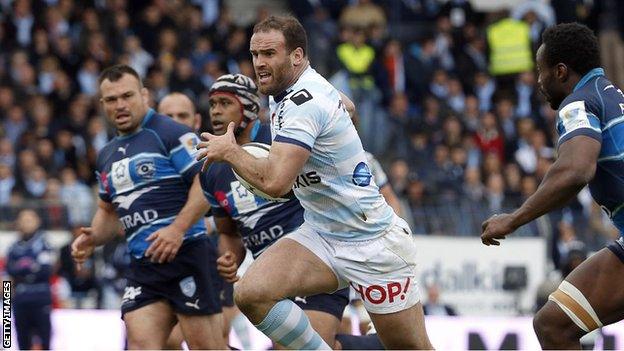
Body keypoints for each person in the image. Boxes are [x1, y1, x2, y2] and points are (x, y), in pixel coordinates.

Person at [196, 15, 432, 349]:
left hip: (372, 242)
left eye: (269, 54)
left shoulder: (301, 104)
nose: (259, 63)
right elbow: (347, 106)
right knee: (250, 293)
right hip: (321, 233)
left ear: (296, 55)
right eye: (255, 54)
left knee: (410, 349)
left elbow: (276, 183)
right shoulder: (298, 85)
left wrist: (231, 152)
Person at [201, 73, 384, 349]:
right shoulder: (211, 168)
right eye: (212, 104)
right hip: (268, 278)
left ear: (249, 107)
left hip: (313, 260)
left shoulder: (280, 136)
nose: (215, 110)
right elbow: (229, 232)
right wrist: (229, 257)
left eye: (225, 103)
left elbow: (341, 113)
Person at [481, 23, 624, 349]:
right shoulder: (613, 96)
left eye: (540, 71)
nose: (538, 82)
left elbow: (575, 169)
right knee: (554, 323)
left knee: (554, 327)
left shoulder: (579, 103)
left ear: (560, 72)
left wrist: (513, 219)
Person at [71, 64, 225, 349]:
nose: (121, 104)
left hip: (186, 256)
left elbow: (204, 185)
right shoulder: (106, 155)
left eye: (127, 96)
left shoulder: (171, 134)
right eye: (112, 99)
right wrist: (92, 237)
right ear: (102, 104)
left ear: (144, 95)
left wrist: (176, 230)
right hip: (143, 266)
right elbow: (108, 211)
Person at [157, 91, 237, 348]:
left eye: (182, 116)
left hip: (213, 257)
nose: (175, 121)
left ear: (196, 121)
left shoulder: (216, 160)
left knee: (215, 336)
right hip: (161, 260)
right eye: (168, 116)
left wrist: (207, 224)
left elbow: (239, 211)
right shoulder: (148, 162)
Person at [6, 209, 55, 350]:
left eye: (29, 220)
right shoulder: (13, 248)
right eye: (23, 220)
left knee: (45, 342)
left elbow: (46, 270)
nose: (26, 223)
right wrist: (31, 268)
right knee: (22, 343)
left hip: (40, 299)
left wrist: (22, 270)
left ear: (37, 222)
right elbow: (10, 271)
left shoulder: (44, 244)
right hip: (20, 300)